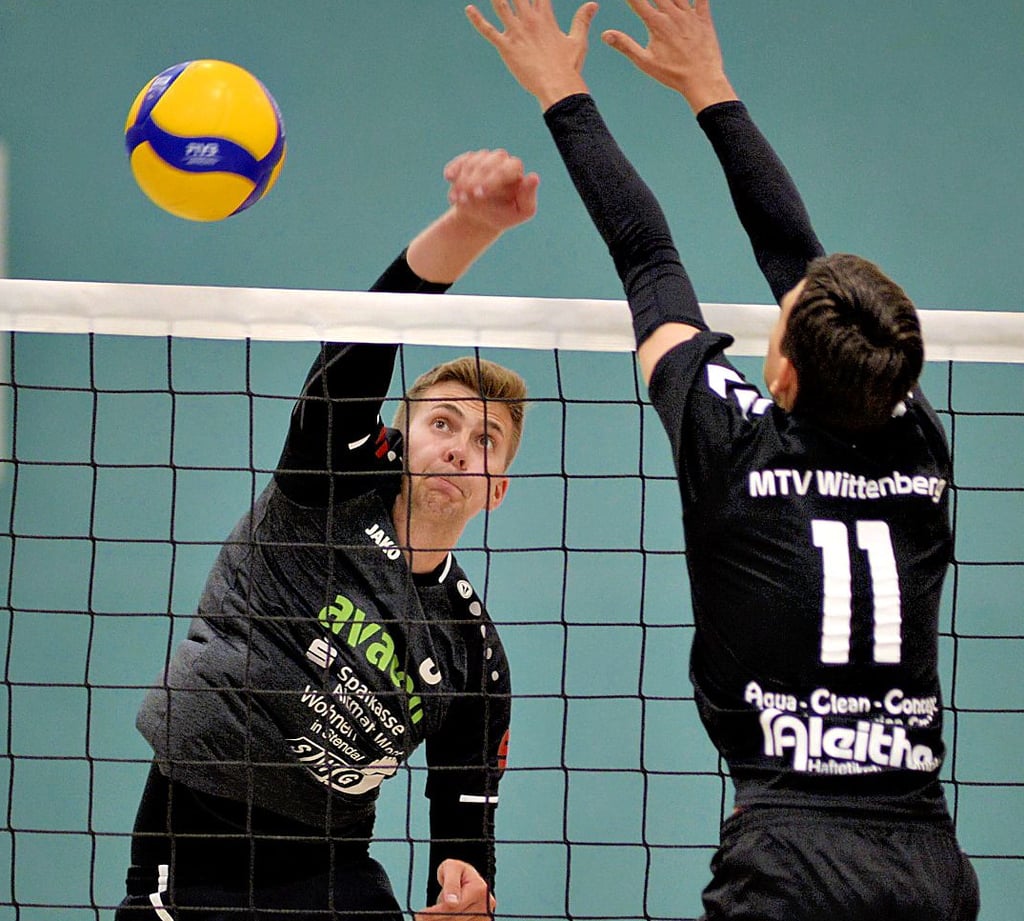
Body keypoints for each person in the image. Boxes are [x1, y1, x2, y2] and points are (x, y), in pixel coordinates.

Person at [467, 1, 980, 919]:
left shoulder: (730, 441)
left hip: (787, 856)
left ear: (780, 369)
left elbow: (646, 253)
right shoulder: (916, 441)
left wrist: (561, 89)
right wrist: (711, 84)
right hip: (928, 864)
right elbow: (795, 255)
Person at [116, 147, 539, 921]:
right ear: (398, 438)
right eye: (442, 423)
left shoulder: (472, 649)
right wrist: (471, 225)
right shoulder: (324, 488)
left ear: (498, 488)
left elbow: (464, 806)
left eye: (484, 440)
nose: (456, 446)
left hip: (329, 864)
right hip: (200, 830)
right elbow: (363, 341)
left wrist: (465, 886)